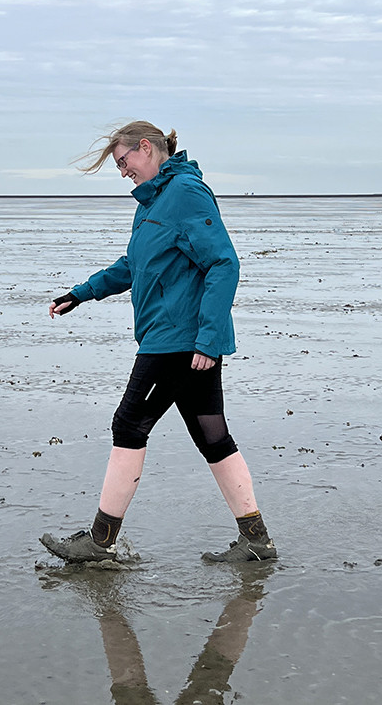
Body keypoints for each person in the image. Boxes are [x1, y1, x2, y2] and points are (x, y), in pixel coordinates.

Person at [40, 121, 276, 563]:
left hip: (178, 342)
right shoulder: (155, 202)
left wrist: (207, 341)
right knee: (213, 435)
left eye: (123, 161)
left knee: (128, 425)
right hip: (178, 339)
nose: (122, 171)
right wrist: (81, 292)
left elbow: (224, 263)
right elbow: (135, 264)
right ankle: (257, 541)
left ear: (145, 148)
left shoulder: (185, 194)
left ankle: (100, 541)